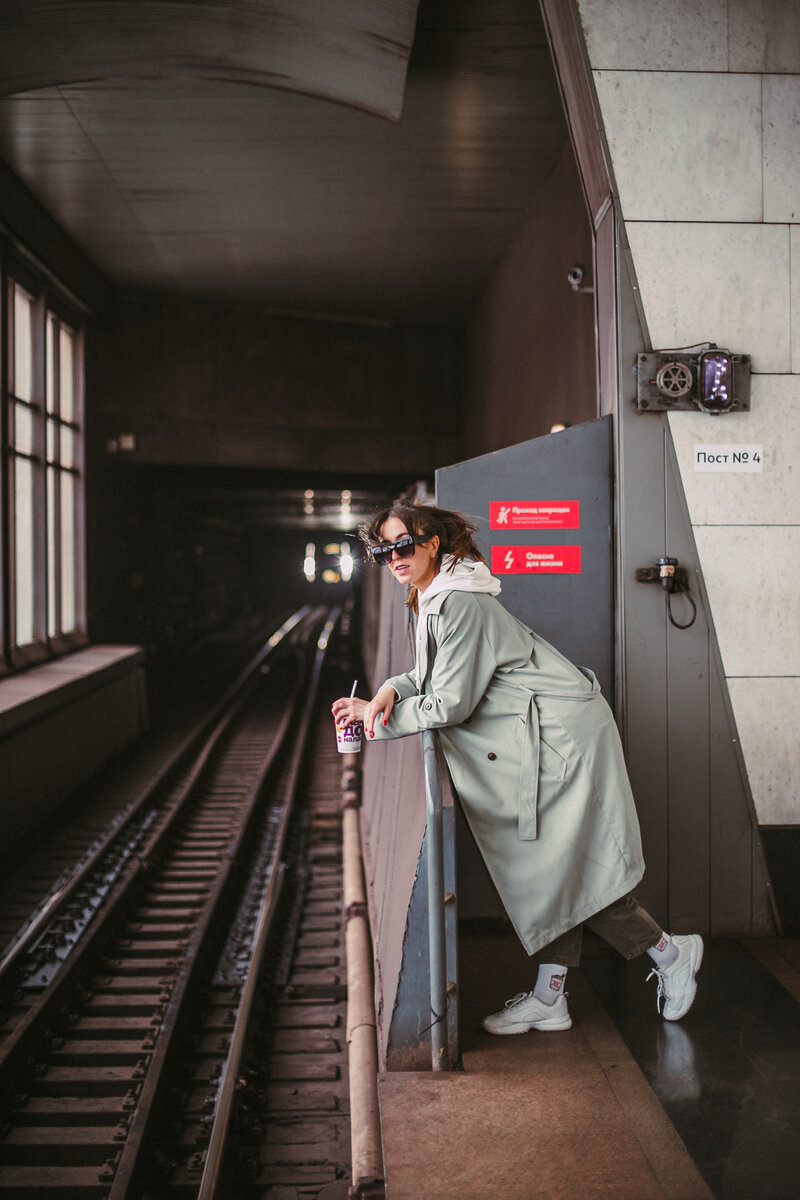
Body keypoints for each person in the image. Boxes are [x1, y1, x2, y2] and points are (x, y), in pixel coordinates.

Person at [331, 501, 703, 1033]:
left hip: (560, 738)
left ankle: (669, 954)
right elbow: (427, 673)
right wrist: (389, 690)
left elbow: (451, 702)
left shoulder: (456, 601)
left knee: (569, 867)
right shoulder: (433, 595)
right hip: (535, 733)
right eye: (384, 551)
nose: (394, 558)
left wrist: (375, 721)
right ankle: (552, 996)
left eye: (403, 545)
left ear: (432, 543)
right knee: (552, 869)